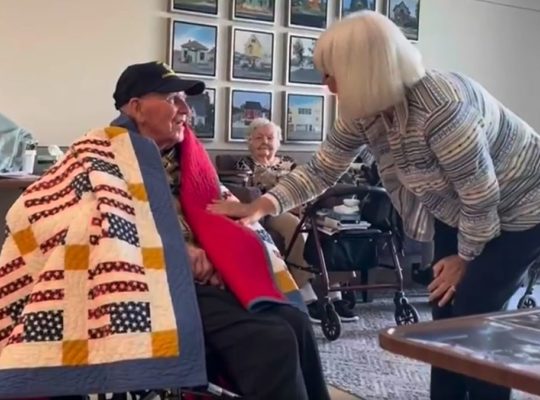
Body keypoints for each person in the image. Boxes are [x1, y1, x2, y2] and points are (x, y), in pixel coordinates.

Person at [208, 11, 540, 400]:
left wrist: (465, 258)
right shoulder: (364, 110)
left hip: (522, 207)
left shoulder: (442, 107)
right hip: (459, 208)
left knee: (473, 309)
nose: (326, 84)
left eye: (331, 73)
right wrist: (262, 206)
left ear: (364, 70)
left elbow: (481, 195)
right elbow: (323, 169)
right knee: (444, 313)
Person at [112, 61, 330, 400]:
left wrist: (225, 251)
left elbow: (218, 210)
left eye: (185, 100)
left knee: (296, 321)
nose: (185, 110)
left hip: (213, 275)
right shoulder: (107, 155)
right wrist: (173, 252)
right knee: (272, 340)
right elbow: (99, 225)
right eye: (173, 99)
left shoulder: (186, 156)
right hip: (160, 285)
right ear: (137, 108)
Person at [236, 118, 358, 323]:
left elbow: (306, 186)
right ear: (250, 141)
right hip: (270, 213)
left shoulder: (289, 162)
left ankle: (335, 293)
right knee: (294, 226)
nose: (265, 142)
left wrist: (304, 205)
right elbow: (248, 194)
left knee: (330, 227)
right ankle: (306, 294)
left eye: (270, 138)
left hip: (301, 209)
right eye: (258, 138)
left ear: (278, 141)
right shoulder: (244, 165)